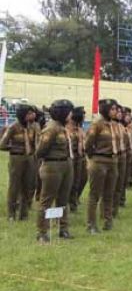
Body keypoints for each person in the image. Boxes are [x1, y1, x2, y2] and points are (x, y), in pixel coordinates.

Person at [35, 99, 75, 243]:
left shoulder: (63, 127)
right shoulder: (51, 128)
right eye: (69, 112)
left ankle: (62, 229)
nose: (71, 115)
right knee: (46, 200)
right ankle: (42, 232)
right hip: (53, 166)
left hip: (66, 164)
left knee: (63, 200)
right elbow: (40, 150)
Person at [0, 103, 39, 221]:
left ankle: (24, 214)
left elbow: (35, 144)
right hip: (16, 158)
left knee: (28, 186)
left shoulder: (33, 127)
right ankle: (11, 214)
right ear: (22, 115)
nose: (32, 115)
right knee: (14, 186)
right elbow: (2, 144)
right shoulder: (13, 127)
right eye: (29, 113)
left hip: (30, 158)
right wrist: (14, 148)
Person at [84, 99, 119, 233]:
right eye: (112, 109)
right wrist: (93, 157)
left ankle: (108, 221)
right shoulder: (97, 124)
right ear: (105, 110)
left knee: (109, 193)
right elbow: (88, 144)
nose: (115, 112)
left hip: (112, 161)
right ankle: (91, 225)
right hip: (99, 161)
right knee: (95, 195)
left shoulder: (114, 125)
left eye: (115, 109)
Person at [67, 106, 87, 212]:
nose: (84, 117)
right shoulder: (67, 128)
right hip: (71, 158)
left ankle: (74, 201)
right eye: (82, 114)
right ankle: (69, 202)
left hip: (81, 158)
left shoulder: (80, 129)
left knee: (79, 180)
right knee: (70, 181)